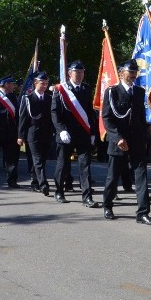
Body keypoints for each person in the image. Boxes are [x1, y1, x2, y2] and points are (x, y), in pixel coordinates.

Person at [101, 59, 151, 225]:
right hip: (118, 141)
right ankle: (108, 205)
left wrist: (146, 134)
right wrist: (117, 138)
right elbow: (107, 118)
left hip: (137, 141)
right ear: (121, 73)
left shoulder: (139, 91)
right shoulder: (112, 92)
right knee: (113, 177)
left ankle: (143, 213)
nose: (133, 75)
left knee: (141, 177)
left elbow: (140, 116)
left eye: (135, 72)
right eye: (130, 72)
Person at [51, 60, 100, 207]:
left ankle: (87, 196)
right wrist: (61, 130)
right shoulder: (60, 90)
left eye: (81, 72)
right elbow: (55, 112)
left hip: (83, 133)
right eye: (76, 72)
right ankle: (59, 191)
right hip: (66, 134)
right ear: (69, 73)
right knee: (63, 164)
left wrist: (92, 132)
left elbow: (89, 112)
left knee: (85, 165)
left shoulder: (86, 88)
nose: (79, 75)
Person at [17, 71, 54, 196]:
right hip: (32, 134)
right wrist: (20, 136)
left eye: (46, 83)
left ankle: (35, 182)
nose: (44, 86)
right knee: (37, 159)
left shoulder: (49, 98)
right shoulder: (28, 99)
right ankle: (44, 184)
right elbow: (23, 119)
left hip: (46, 133)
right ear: (35, 83)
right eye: (42, 83)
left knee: (42, 160)